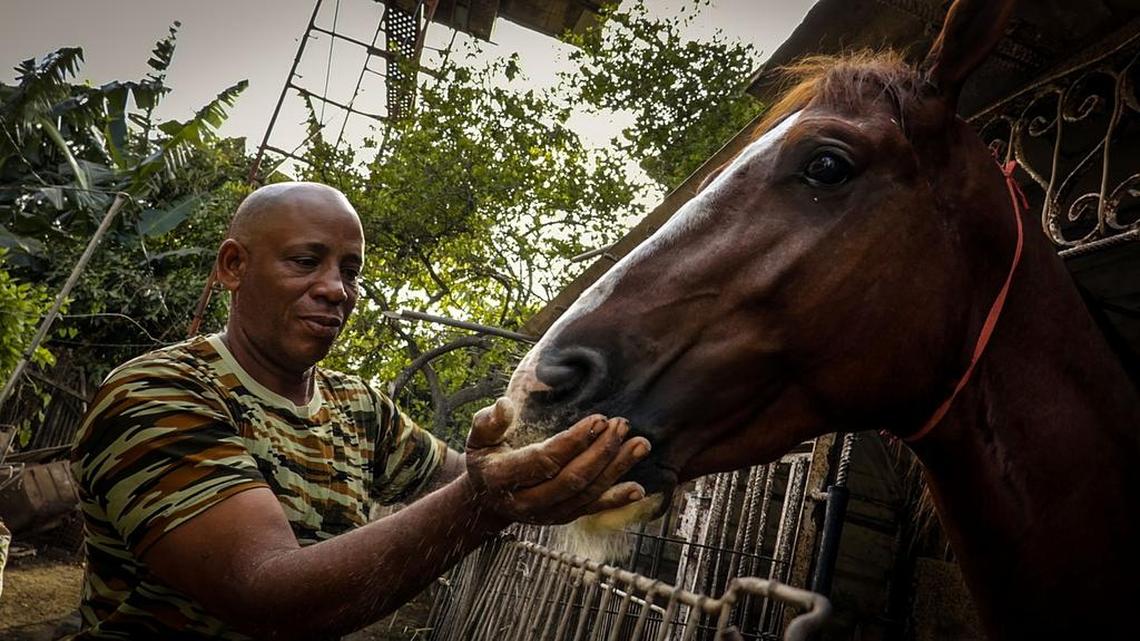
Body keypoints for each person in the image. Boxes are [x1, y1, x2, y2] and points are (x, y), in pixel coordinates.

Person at [69, 182, 650, 640]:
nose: (335, 289)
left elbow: (458, 472)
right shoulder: (155, 395)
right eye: (304, 261)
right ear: (232, 266)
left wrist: (561, 467)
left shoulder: (358, 406)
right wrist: (485, 502)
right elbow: (265, 596)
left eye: (350, 270)